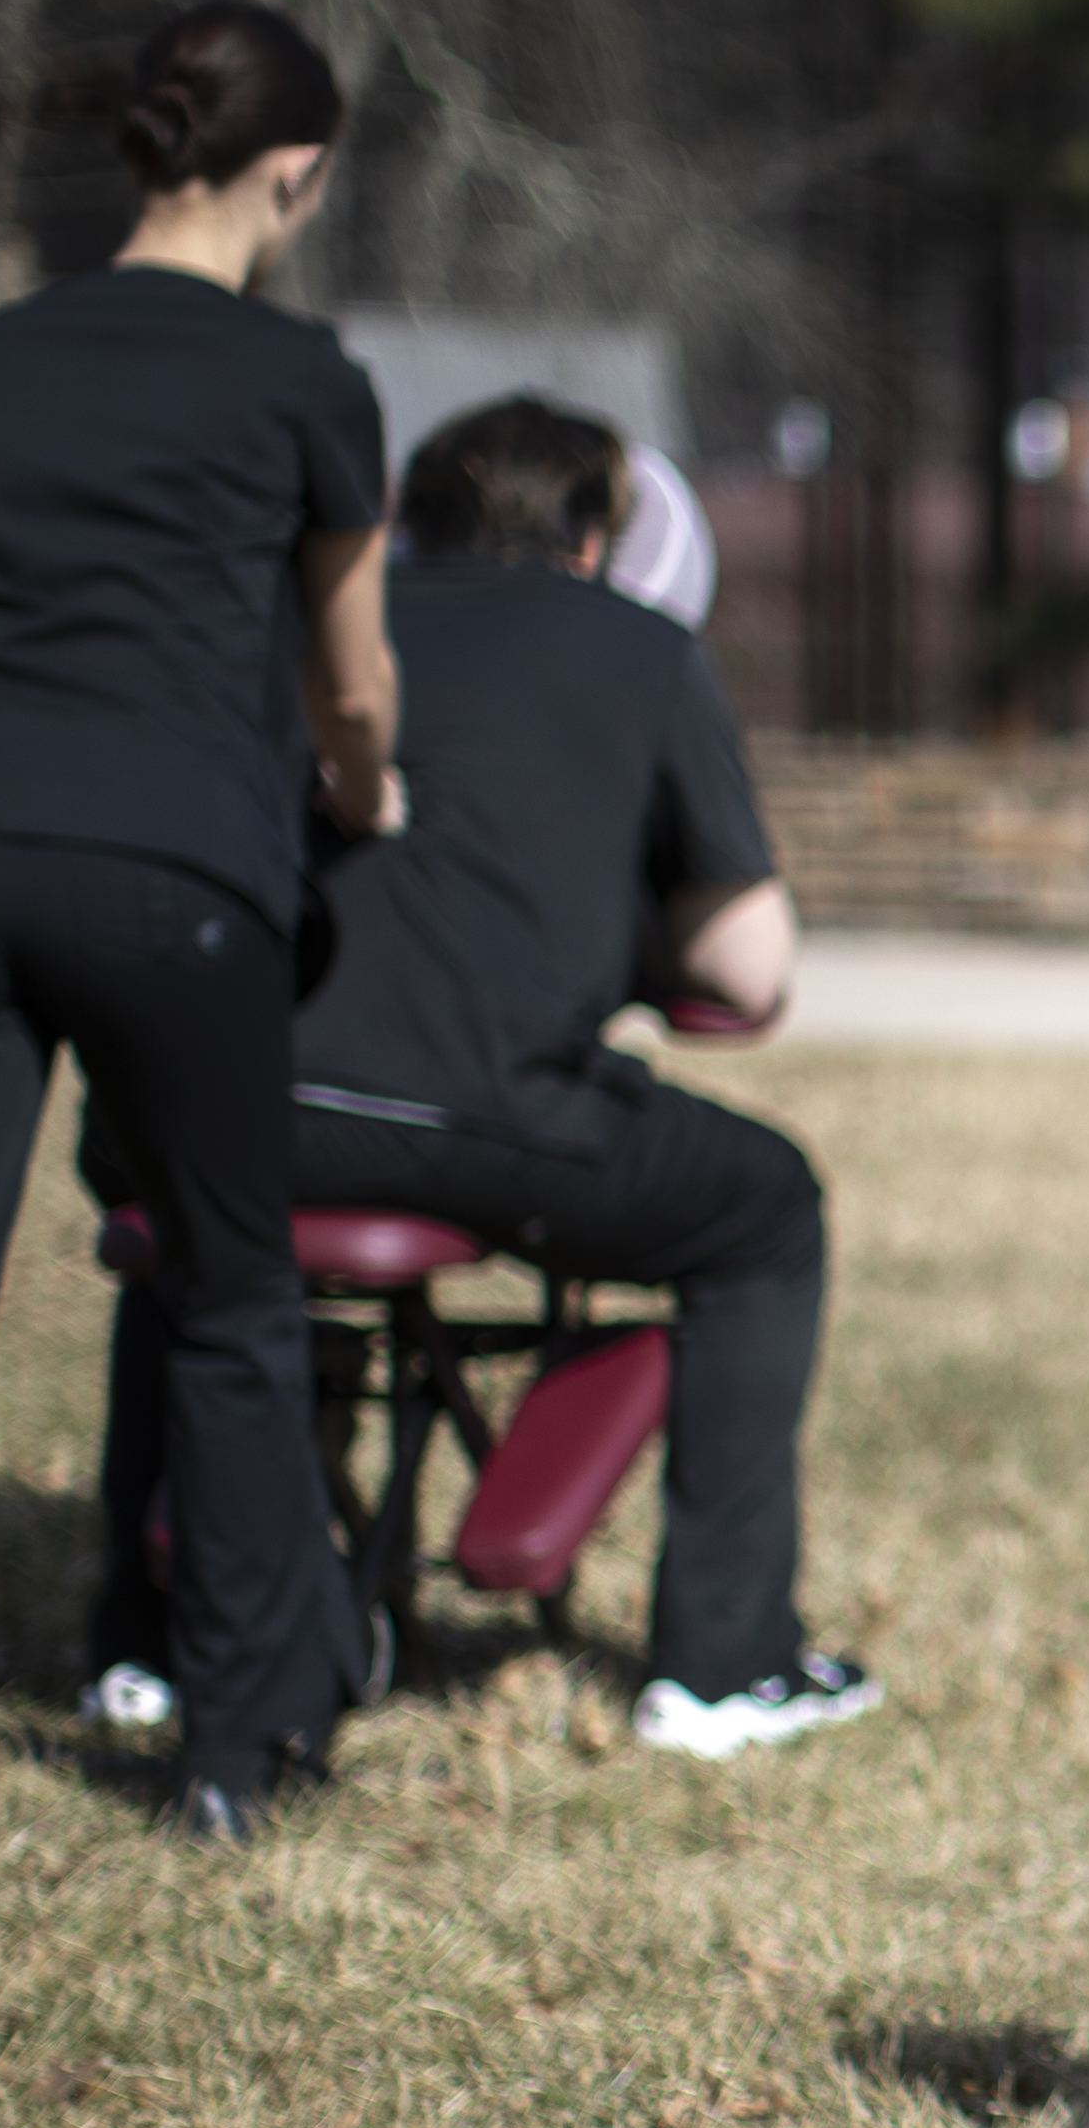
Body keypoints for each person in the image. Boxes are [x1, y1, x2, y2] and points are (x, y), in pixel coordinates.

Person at [0, 0, 402, 1943]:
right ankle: (237, 1745)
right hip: (175, 870)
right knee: (225, 1295)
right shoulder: (304, 377)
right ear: (292, 174)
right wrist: (363, 794)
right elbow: (355, 682)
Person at [78, 397, 873, 1758]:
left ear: (413, 522)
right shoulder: (640, 650)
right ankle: (726, 1666)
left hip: (203, 1105)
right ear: (590, 540)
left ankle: (146, 1644)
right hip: (478, 1121)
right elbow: (747, 975)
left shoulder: (302, 626)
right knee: (764, 1207)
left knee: (201, 1223)